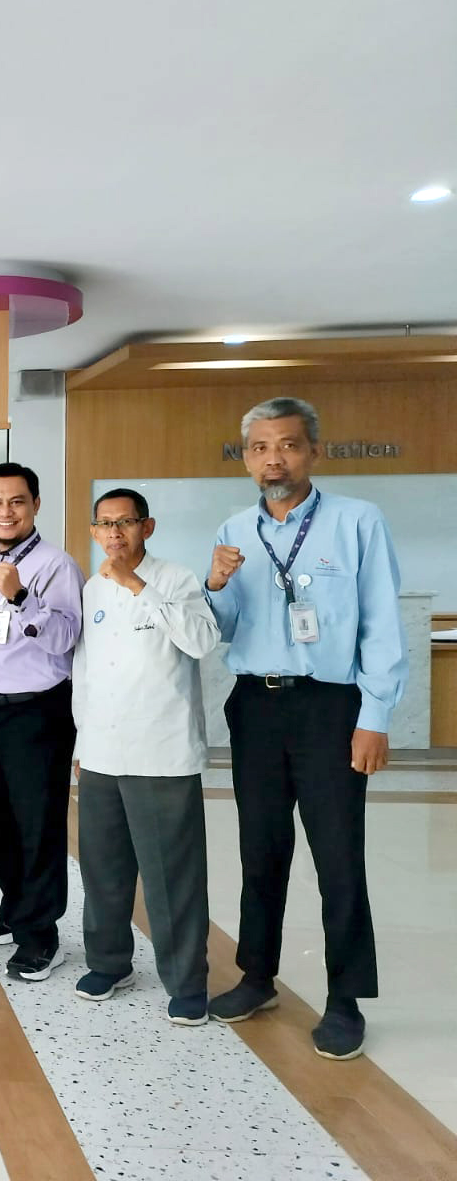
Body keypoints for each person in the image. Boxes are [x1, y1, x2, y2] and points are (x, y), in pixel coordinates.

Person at [202, 397, 405, 1061]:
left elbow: (380, 623)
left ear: (313, 450)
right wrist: (215, 585)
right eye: (260, 448)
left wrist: (374, 717)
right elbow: (223, 630)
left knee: (339, 857)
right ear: (247, 458)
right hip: (256, 706)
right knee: (260, 852)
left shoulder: (356, 522)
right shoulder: (234, 528)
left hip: (329, 708)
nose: (274, 458)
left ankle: (345, 1000)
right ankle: (257, 977)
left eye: (286, 445)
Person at [72, 488, 220, 1025]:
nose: (115, 534)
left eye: (126, 523)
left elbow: (202, 641)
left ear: (147, 527)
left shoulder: (177, 579)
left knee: (171, 874)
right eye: (105, 524)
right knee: (103, 867)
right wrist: (82, 743)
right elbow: (84, 672)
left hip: (162, 752)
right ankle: (109, 962)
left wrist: (140, 587)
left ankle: (186, 982)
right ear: (94, 531)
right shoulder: (91, 589)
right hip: (103, 751)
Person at [0, 462, 84, 982]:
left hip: (37, 711)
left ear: (35, 505)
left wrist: (20, 596)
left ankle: (41, 935)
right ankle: (15, 909)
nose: (5, 512)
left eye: (16, 502)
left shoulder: (56, 565)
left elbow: (67, 638)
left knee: (38, 825)